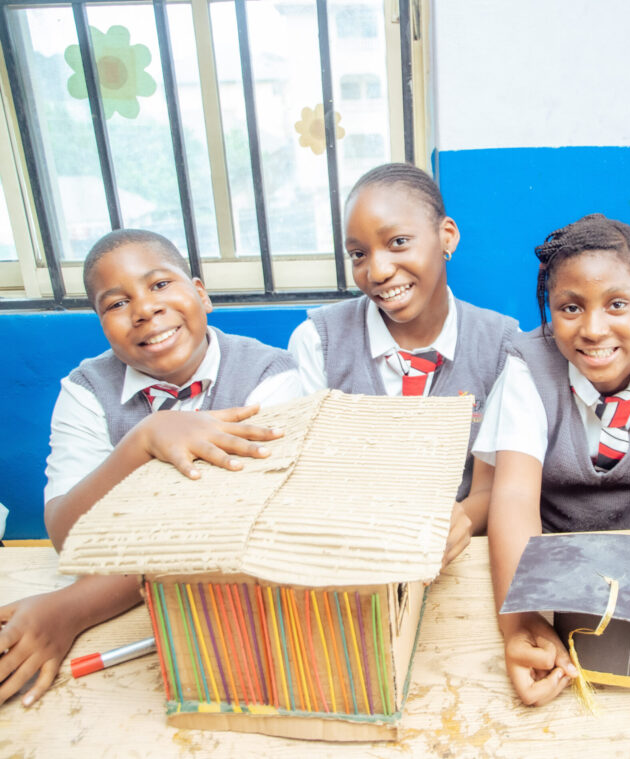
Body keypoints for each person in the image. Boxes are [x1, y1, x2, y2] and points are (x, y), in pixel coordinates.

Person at [0, 229, 302, 707]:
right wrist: (143, 441)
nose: (143, 310)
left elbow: (226, 536)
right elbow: (69, 539)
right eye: (117, 303)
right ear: (101, 324)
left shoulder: (272, 378)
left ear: (201, 294)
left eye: (160, 284)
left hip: (240, 615)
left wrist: (71, 608)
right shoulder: (85, 390)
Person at [477, 213, 630, 707]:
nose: (594, 329)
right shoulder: (527, 363)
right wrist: (521, 620)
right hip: (553, 553)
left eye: (617, 304)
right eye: (570, 307)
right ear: (550, 313)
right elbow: (514, 495)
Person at [289, 163, 517, 565]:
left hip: (458, 558)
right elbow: (309, 478)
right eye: (358, 254)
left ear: (447, 236)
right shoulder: (317, 343)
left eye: (397, 242)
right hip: (351, 557)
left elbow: (487, 487)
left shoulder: (501, 346)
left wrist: (460, 520)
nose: (377, 271)